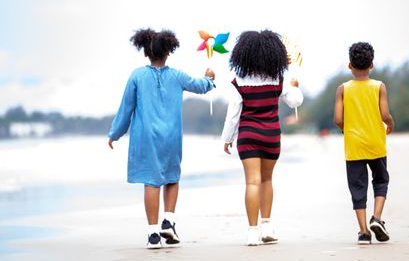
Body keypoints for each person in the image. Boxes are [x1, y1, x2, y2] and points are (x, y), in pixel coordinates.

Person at [107, 28, 215, 249]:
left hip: (145, 138)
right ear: (168, 52)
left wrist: (115, 134)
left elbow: (125, 109)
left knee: (151, 181)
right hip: (172, 136)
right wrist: (210, 78)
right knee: (172, 177)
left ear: (146, 53)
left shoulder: (136, 76)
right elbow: (200, 86)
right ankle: (169, 220)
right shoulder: (176, 75)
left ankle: (153, 234)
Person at [221, 30, 303, 246]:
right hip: (271, 136)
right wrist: (295, 86)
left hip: (248, 136)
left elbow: (233, 114)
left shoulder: (238, 81)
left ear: (244, 55)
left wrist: (227, 138)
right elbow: (295, 102)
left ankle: (251, 231)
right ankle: (267, 225)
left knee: (252, 182)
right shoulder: (278, 78)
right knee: (267, 180)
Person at [333, 42, 394, 245]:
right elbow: (384, 115)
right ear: (372, 65)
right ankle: (377, 218)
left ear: (349, 65)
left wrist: (346, 128)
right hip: (376, 142)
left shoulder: (342, 89)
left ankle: (363, 232)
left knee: (358, 188)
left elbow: (338, 119)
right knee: (380, 181)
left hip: (354, 145)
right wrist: (390, 123)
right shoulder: (379, 87)